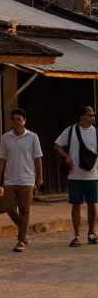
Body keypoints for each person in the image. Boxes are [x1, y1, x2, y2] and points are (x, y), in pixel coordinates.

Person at [0, 109, 43, 252]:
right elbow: (2, 158)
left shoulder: (32, 137)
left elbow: (37, 158)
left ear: (24, 121)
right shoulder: (6, 138)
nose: (16, 121)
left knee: (25, 209)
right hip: (10, 179)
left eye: (19, 119)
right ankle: (24, 230)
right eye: (13, 119)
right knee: (9, 208)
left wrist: (39, 178)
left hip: (27, 179)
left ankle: (21, 240)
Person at [54, 105, 98, 248]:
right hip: (74, 175)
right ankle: (77, 236)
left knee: (93, 204)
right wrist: (67, 156)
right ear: (82, 117)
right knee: (76, 205)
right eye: (89, 115)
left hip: (92, 175)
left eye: (93, 115)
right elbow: (57, 145)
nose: (92, 117)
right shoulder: (71, 130)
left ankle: (92, 232)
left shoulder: (96, 132)